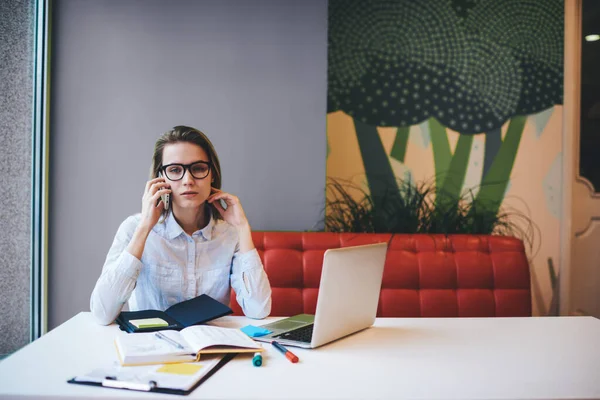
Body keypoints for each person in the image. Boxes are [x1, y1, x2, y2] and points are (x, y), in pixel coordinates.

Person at [90, 125, 272, 325]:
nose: (188, 180)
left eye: (199, 168)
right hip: (152, 349)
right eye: (175, 170)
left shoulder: (229, 234)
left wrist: (242, 228)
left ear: (212, 174)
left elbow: (259, 310)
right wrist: (144, 228)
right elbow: (102, 313)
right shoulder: (133, 228)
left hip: (211, 348)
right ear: (160, 178)